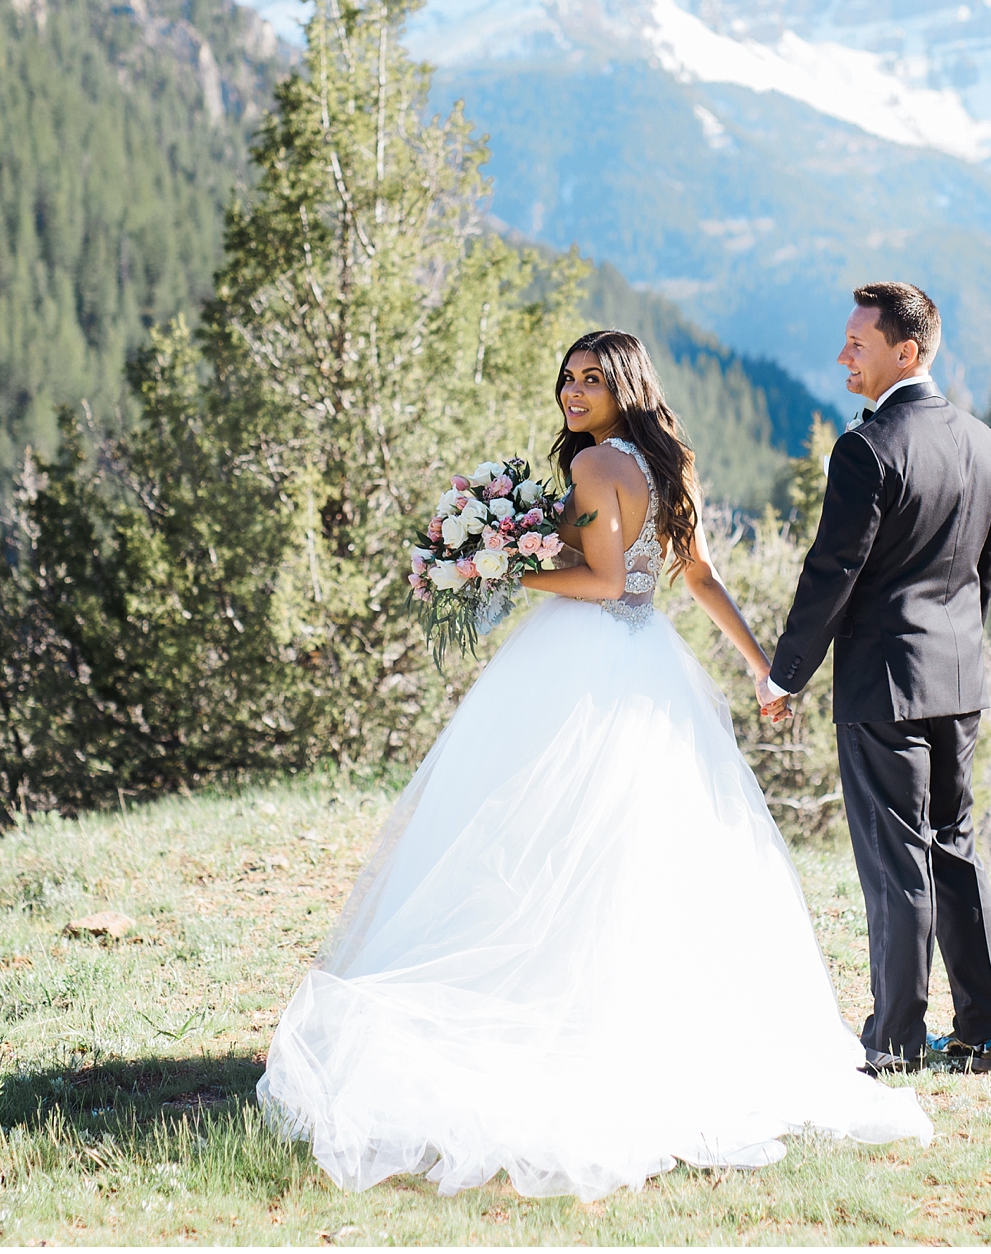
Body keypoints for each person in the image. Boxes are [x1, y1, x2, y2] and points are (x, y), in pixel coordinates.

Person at [259, 329, 931, 1202]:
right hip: (655, 673)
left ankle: (540, 1020)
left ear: (624, 387)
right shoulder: (667, 463)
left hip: (583, 668)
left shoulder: (593, 471)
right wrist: (762, 667)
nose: (573, 393)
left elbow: (606, 583)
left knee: (538, 843)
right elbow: (696, 577)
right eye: (568, 379)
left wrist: (492, 572)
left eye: (591, 380)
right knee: (635, 853)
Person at [763, 282, 991, 1076]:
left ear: (905, 352)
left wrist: (785, 675)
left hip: (883, 687)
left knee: (896, 862)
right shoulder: (985, 444)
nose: (844, 355)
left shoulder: (867, 448)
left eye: (857, 344)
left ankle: (896, 1045)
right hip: (956, 682)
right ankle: (980, 1034)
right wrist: (953, 645)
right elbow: (987, 571)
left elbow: (832, 571)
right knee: (955, 851)